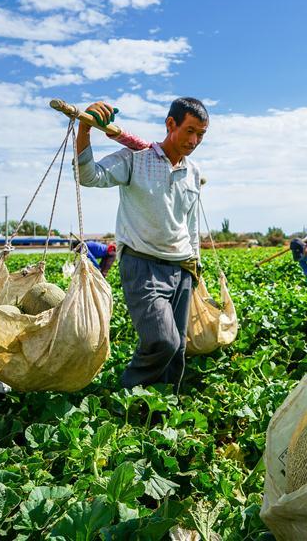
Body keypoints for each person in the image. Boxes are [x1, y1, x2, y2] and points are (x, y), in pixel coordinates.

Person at [75, 97, 208, 391]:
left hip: (183, 266)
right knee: (163, 340)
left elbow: (191, 223)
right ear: (170, 124)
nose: (194, 140)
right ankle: (129, 393)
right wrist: (85, 129)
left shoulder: (193, 171)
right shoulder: (134, 158)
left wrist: (196, 264)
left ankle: (163, 408)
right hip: (143, 263)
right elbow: (88, 176)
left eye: (201, 134)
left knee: (178, 350)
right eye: (189, 131)